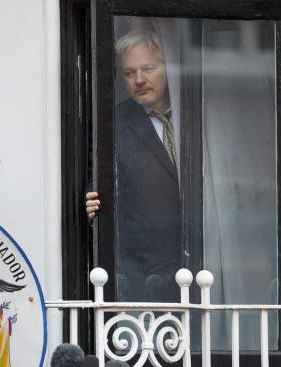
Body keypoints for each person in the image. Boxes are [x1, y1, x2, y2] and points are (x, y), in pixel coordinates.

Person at [86, 30, 181, 302]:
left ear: (170, 68)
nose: (139, 80)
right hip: (145, 273)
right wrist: (91, 199)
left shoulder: (198, 113)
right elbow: (98, 179)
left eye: (148, 69)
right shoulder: (113, 123)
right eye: (129, 73)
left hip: (202, 266)